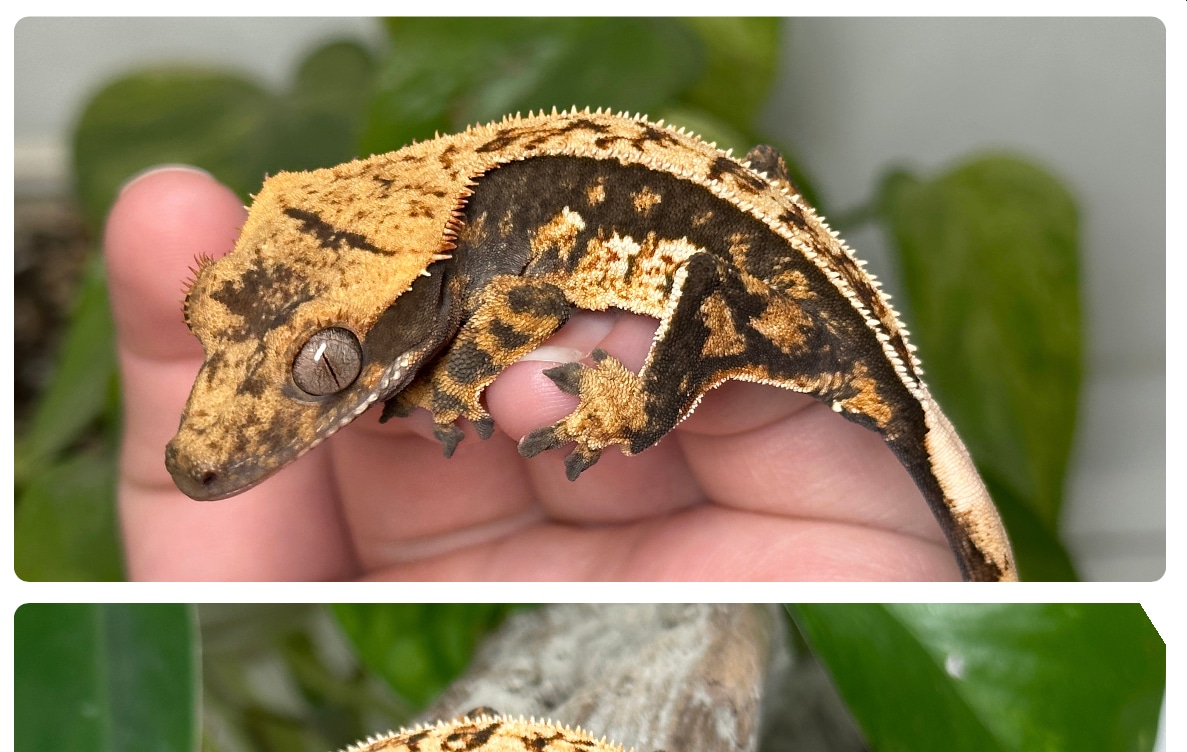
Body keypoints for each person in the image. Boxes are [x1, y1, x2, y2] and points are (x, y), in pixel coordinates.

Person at [107, 167, 960, 581]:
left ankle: (639, 410)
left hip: (762, 287)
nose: (208, 435)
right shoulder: (431, 243)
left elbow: (534, 302)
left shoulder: (481, 254)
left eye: (328, 364)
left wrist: (454, 378)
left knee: (629, 381)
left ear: (419, 288)